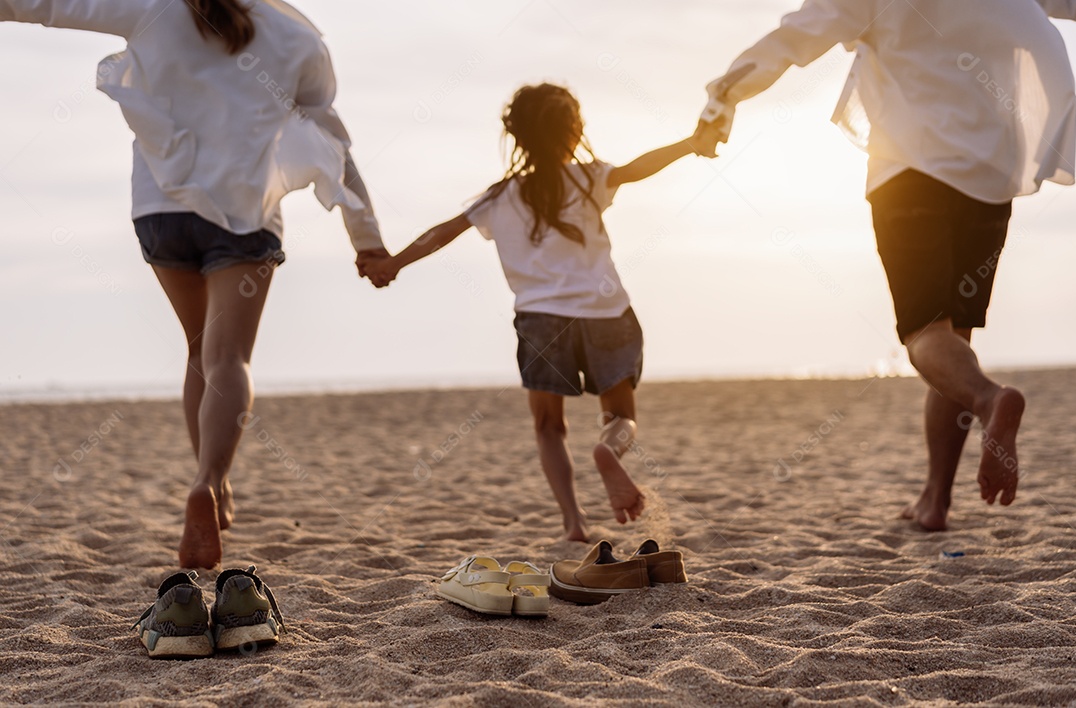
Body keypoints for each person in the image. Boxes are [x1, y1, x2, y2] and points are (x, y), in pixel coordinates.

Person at [0, 0, 387, 567]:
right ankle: (210, 480)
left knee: (198, 351)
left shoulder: (151, 9)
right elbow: (335, 145)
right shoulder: (298, 38)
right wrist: (367, 238)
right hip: (246, 214)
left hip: (163, 210)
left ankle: (213, 481)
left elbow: (51, 5)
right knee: (229, 355)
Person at [695, 0, 1076, 530]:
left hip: (910, 168)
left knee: (924, 332)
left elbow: (794, 40)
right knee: (955, 341)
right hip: (990, 174)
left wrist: (723, 97)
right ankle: (935, 499)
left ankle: (991, 400)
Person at [363, 84, 715, 542]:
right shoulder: (590, 179)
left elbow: (442, 233)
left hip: (542, 320)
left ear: (519, 136)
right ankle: (610, 449)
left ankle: (574, 521)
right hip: (607, 313)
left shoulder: (500, 196)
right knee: (621, 417)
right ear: (574, 131)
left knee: (549, 427)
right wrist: (690, 143)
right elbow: (638, 167)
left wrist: (393, 264)